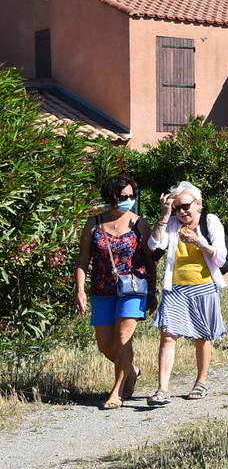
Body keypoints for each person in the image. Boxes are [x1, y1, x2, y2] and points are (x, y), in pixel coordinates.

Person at [74, 175, 157, 410]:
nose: (129, 200)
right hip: (102, 289)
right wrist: (80, 290)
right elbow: (83, 260)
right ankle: (131, 370)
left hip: (133, 288)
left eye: (132, 196)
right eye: (123, 196)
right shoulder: (94, 223)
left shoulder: (140, 224)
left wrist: (153, 292)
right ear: (111, 197)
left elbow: (150, 261)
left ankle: (116, 392)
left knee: (123, 339)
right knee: (105, 345)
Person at [147, 182, 228, 405]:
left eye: (185, 206)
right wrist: (165, 216)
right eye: (177, 208)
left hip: (204, 286)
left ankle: (201, 382)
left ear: (198, 203)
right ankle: (162, 389)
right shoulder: (172, 224)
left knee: (203, 336)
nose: (182, 212)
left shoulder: (210, 222)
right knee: (167, 335)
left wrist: (199, 242)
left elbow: (221, 258)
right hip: (175, 288)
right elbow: (153, 246)